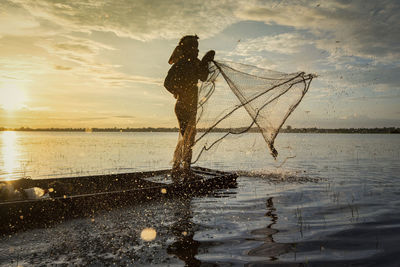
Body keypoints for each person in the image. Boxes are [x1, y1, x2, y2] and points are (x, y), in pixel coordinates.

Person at [164, 35, 215, 181]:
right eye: (195, 48)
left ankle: (179, 168)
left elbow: (203, 77)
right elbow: (167, 83)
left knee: (187, 137)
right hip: (183, 106)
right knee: (188, 138)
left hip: (187, 106)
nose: (197, 51)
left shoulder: (191, 63)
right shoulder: (184, 64)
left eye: (198, 48)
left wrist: (206, 61)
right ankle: (184, 170)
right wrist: (177, 91)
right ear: (187, 49)